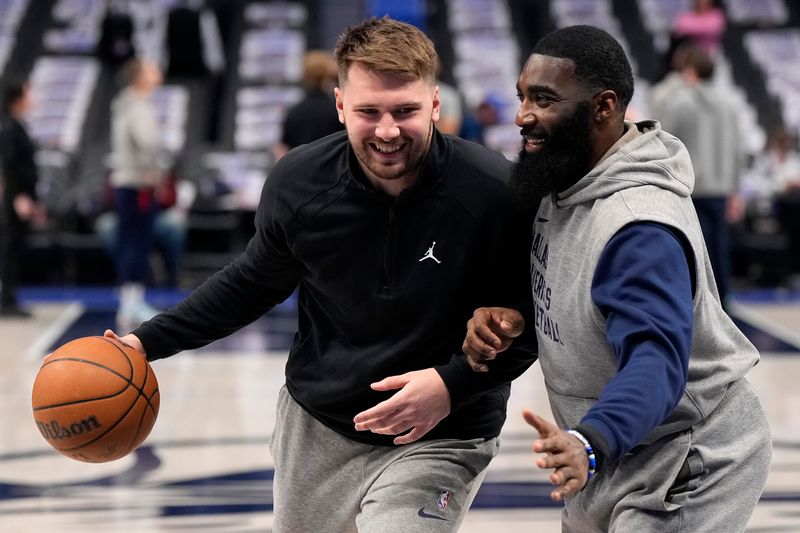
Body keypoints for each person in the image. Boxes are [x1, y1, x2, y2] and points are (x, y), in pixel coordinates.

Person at [104, 17, 535, 532]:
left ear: (436, 105)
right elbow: (250, 284)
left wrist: (452, 384)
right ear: (339, 107)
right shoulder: (298, 183)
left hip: (444, 431)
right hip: (320, 424)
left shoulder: (494, 192)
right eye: (368, 111)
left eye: (406, 111)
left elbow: (532, 318)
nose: (388, 131)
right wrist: (142, 343)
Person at [462, 25, 771, 532]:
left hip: (685, 454)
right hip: (609, 446)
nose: (523, 116)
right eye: (522, 97)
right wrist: (510, 314)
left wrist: (591, 440)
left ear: (604, 106)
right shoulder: (562, 180)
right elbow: (576, 286)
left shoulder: (637, 226)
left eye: (544, 99)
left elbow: (656, 359)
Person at [658, 45, 743, 306]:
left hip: (689, 187)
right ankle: (723, 300)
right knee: (719, 246)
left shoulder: (680, 101)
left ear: (691, 71)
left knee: (693, 248)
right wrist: (735, 188)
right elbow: (738, 149)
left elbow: (662, 139)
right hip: (721, 187)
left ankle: (698, 302)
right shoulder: (731, 103)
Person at [109, 57, 166, 329]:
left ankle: (129, 300)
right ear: (141, 75)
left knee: (130, 240)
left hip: (126, 181)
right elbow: (148, 142)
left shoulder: (123, 103)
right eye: (151, 67)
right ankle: (132, 301)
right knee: (137, 242)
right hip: (138, 183)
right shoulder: (138, 105)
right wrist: (151, 173)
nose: (157, 72)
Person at [0, 79, 46, 318]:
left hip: (23, 196)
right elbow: (11, 165)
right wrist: (19, 196)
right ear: (17, 99)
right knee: (10, 248)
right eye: (29, 93)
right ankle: (6, 301)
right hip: (16, 198)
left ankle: (10, 297)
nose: (33, 98)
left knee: (15, 248)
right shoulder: (10, 128)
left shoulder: (19, 126)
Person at [273, 50, 344, 161]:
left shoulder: (294, 112)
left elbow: (282, 150)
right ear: (328, 76)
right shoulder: (337, 110)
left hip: (300, 172)